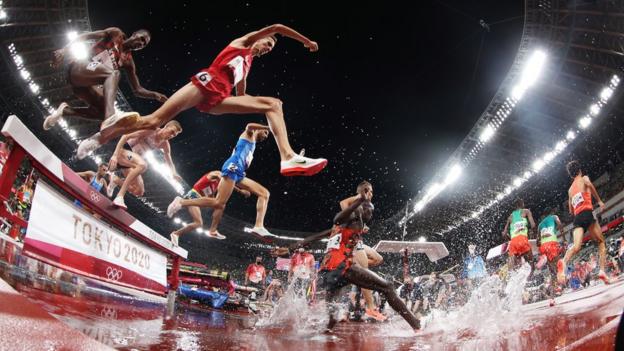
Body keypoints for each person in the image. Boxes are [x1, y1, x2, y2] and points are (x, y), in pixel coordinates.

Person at [76, 24, 327, 178]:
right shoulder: (243, 43)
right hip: (206, 82)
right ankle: (99, 138)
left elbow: (242, 98)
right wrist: (305, 41)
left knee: (274, 104)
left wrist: (269, 125)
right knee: (154, 121)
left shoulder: (247, 66)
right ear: (260, 38)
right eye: (268, 43)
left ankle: (288, 156)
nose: (268, 47)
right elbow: (278, 26)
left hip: (219, 98)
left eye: (271, 48)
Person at [272, 181, 421, 331]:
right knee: (388, 287)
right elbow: (338, 217)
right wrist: (360, 200)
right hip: (343, 266)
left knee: (332, 318)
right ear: (361, 208)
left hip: (328, 272)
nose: (371, 212)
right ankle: (416, 324)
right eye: (369, 209)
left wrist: (289, 249)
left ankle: (328, 330)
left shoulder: (346, 226)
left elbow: (313, 238)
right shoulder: (352, 219)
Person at [46, 27, 167, 131]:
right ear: (134, 34)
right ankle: (110, 117)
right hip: (79, 68)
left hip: (86, 87)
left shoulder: (128, 61)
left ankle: (65, 111)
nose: (141, 43)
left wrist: (155, 95)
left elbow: (137, 89)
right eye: (141, 38)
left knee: (101, 111)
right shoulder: (116, 34)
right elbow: (86, 36)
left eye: (144, 44)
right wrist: (64, 49)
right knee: (114, 74)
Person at [167, 123, 274, 238]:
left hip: (238, 172)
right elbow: (249, 125)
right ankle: (181, 202)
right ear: (259, 129)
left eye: (267, 133)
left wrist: (241, 183)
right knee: (219, 203)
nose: (266, 135)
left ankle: (258, 226)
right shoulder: (249, 134)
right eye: (265, 132)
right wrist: (269, 127)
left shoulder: (253, 145)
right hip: (233, 166)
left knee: (264, 194)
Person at [107, 121, 182, 209]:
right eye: (171, 132)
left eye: (174, 135)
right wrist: (115, 155)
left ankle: (115, 180)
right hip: (123, 151)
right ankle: (120, 196)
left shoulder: (164, 144)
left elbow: (169, 161)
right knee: (143, 165)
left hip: (132, 163)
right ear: (166, 127)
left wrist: (173, 173)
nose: (171, 136)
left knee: (139, 191)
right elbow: (125, 136)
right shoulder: (151, 130)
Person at [558, 160, 610, 285]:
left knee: (576, 247)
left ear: (571, 175)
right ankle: (602, 271)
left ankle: (564, 261)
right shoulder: (584, 178)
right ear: (580, 171)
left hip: (578, 218)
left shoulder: (570, 190)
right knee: (601, 241)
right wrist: (599, 201)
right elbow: (590, 185)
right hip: (588, 213)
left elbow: (571, 210)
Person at [168, 170, 250, 245]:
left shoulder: (216, 187)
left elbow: (212, 198)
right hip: (193, 196)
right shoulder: (217, 173)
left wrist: (215, 208)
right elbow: (223, 178)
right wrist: (240, 190)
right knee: (217, 207)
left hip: (197, 200)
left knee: (200, 222)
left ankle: (176, 233)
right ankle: (180, 202)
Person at [338, 193, 386, 321]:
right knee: (365, 274)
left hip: (358, 243)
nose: (371, 213)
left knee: (378, 259)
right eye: (369, 210)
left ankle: (356, 266)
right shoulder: (353, 210)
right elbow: (343, 203)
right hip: (350, 244)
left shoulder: (361, 218)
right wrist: (360, 196)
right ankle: (371, 308)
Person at [502, 198, 536, 273]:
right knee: (531, 265)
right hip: (522, 239)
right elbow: (533, 225)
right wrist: (535, 235)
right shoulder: (526, 211)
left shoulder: (510, 217)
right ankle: (530, 277)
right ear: (522, 204)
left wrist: (510, 237)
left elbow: (504, 234)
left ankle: (512, 278)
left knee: (514, 270)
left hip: (513, 242)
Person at [537, 208, 563, 298]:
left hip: (543, 247)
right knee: (558, 266)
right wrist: (564, 238)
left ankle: (553, 293)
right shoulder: (554, 217)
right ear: (551, 212)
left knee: (552, 271)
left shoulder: (540, 224)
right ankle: (558, 287)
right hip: (552, 243)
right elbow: (560, 224)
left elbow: (537, 241)